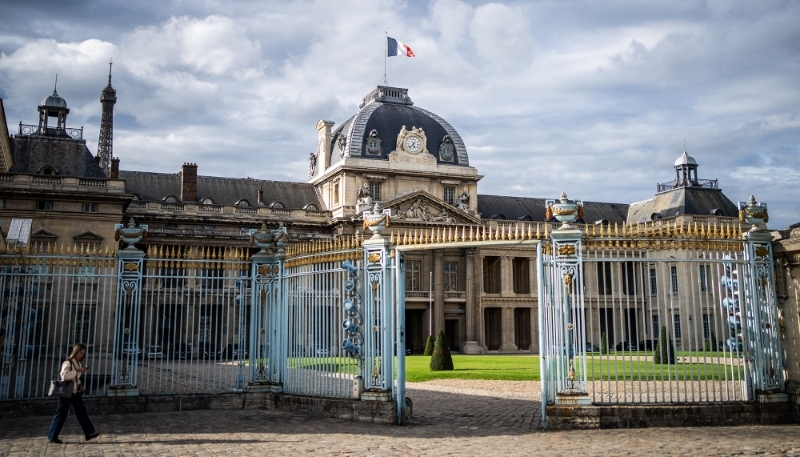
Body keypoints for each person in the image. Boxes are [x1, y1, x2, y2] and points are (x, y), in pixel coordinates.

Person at [47, 343, 99, 444]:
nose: (82, 355)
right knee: (61, 413)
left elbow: (76, 378)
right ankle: (52, 436)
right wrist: (76, 371)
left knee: (81, 411)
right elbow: (64, 376)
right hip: (66, 392)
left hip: (75, 392)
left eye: (83, 353)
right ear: (76, 352)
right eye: (81, 353)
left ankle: (89, 433)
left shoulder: (78, 363)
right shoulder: (68, 362)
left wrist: (80, 373)